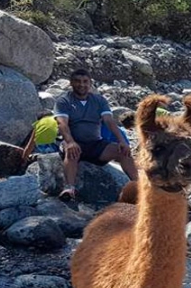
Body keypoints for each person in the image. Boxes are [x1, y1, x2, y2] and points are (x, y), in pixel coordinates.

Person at [54, 69, 138, 201]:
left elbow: (109, 121)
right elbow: (62, 123)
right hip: (75, 142)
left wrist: (122, 141)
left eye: (85, 81)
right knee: (71, 152)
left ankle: (138, 186)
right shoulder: (63, 101)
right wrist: (70, 142)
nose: (82, 85)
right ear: (71, 83)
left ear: (90, 83)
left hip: (95, 144)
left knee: (123, 151)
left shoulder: (99, 100)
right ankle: (69, 188)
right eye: (77, 81)